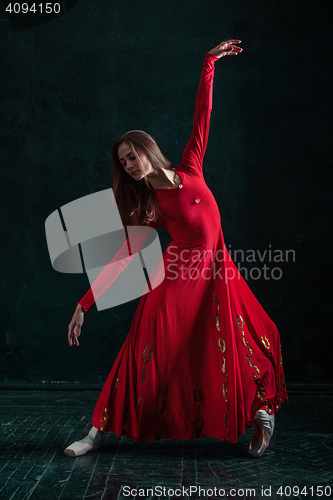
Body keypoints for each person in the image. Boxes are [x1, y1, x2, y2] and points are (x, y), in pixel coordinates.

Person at [64, 40, 288, 459]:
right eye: (124, 163)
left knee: (252, 336)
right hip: (178, 279)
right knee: (141, 350)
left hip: (217, 273)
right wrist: (84, 303)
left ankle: (261, 414)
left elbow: (202, 114)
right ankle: (95, 433)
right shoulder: (148, 208)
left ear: (147, 150)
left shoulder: (190, 165)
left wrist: (209, 63)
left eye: (132, 157)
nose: (129, 165)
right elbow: (124, 257)